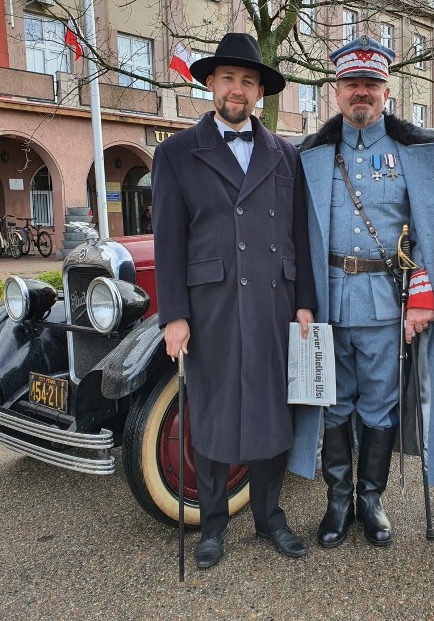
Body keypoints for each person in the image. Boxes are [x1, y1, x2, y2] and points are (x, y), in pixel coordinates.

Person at [151, 33, 316, 569]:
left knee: (272, 414)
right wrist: (174, 314)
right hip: (211, 305)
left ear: (259, 92)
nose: (237, 89)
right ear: (210, 83)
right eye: (228, 78)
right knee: (214, 414)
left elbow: (300, 234)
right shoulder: (175, 153)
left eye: (248, 81)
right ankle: (213, 527)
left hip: (274, 301)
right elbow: (168, 240)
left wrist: (306, 302)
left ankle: (271, 520)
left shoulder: (286, 154)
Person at [288, 35, 434, 548]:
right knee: (334, 405)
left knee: (380, 406)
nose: (360, 93)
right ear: (335, 92)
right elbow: (298, 237)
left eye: (370, 84)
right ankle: (337, 503)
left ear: (387, 91)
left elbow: (433, 237)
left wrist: (424, 301)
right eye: (351, 84)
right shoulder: (313, 156)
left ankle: (371, 501)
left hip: (389, 303)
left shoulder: (415, 155)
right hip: (329, 301)